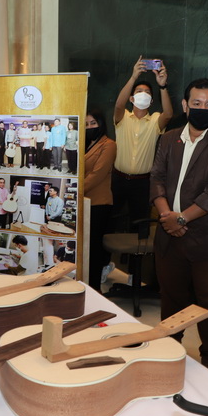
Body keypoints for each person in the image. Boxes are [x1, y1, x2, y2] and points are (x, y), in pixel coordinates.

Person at [150, 78, 208, 374]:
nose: (203, 108)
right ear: (185, 105)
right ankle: (169, 350)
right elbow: (157, 179)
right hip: (169, 234)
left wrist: (181, 219)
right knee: (171, 299)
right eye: (197, 103)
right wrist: (167, 216)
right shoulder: (168, 139)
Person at [113, 56, 173, 231]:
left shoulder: (155, 120)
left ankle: (137, 250)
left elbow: (168, 114)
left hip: (143, 182)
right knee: (112, 220)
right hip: (118, 179)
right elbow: (118, 105)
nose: (143, 94)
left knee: (139, 222)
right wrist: (133, 77)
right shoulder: (123, 117)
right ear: (132, 98)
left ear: (151, 101)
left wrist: (162, 86)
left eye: (147, 92)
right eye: (139, 91)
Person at [82, 109, 116, 291]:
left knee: (94, 251)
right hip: (83, 203)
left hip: (98, 204)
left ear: (101, 124)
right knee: (83, 250)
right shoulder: (84, 144)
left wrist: (75, 191)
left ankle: (94, 290)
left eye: (93, 123)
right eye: (86, 124)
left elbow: (97, 174)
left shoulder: (108, 145)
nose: (89, 127)